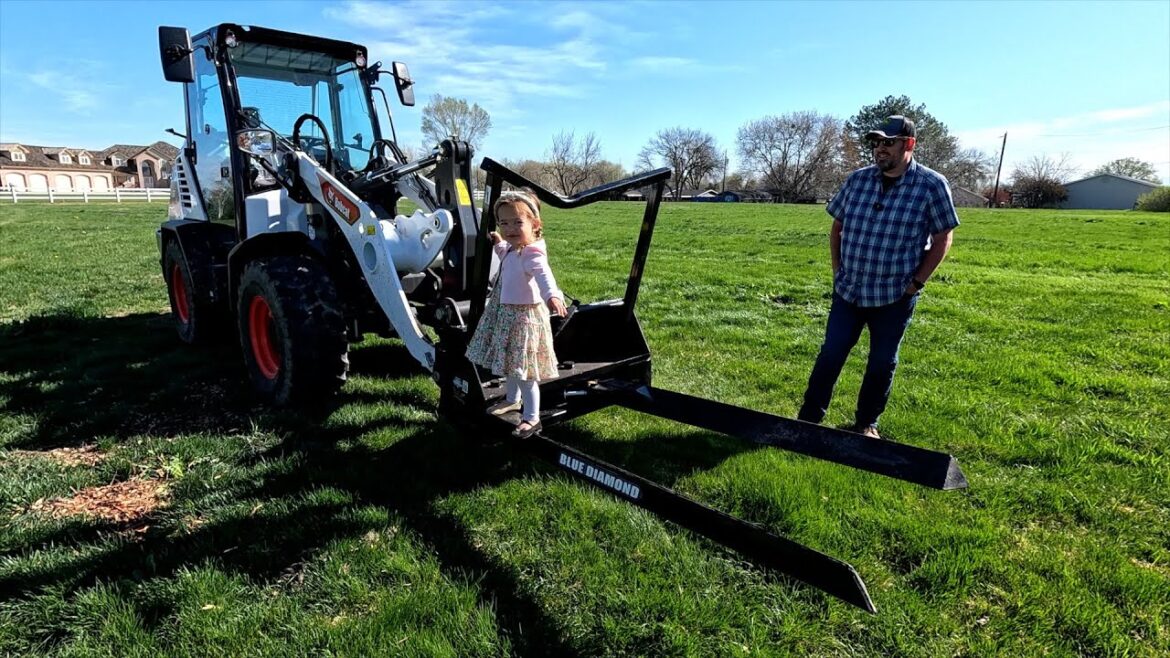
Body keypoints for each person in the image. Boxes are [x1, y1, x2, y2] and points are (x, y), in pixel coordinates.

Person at [797, 115, 959, 439]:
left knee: (882, 362)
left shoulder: (931, 185)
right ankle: (807, 419)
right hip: (849, 290)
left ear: (908, 144)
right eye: (876, 142)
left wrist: (915, 284)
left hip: (894, 296)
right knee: (831, 353)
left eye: (889, 142)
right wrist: (837, 271)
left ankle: (866, 423)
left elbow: (943, 239)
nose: (880, 149)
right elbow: (837, 227)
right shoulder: (857, 180)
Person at [467, 189, 568, 439]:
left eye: (517, 222)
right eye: (504, 223)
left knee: (524, 371)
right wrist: (498, 241)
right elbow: (503, 255)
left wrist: (552, 296)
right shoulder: (513, 248)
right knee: (511, 364)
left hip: (524, 319)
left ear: (535, 224)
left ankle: (531, 417)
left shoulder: (531, 253)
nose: (510, 228)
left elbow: (544, 276)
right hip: (506, 315)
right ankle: (512, 399)